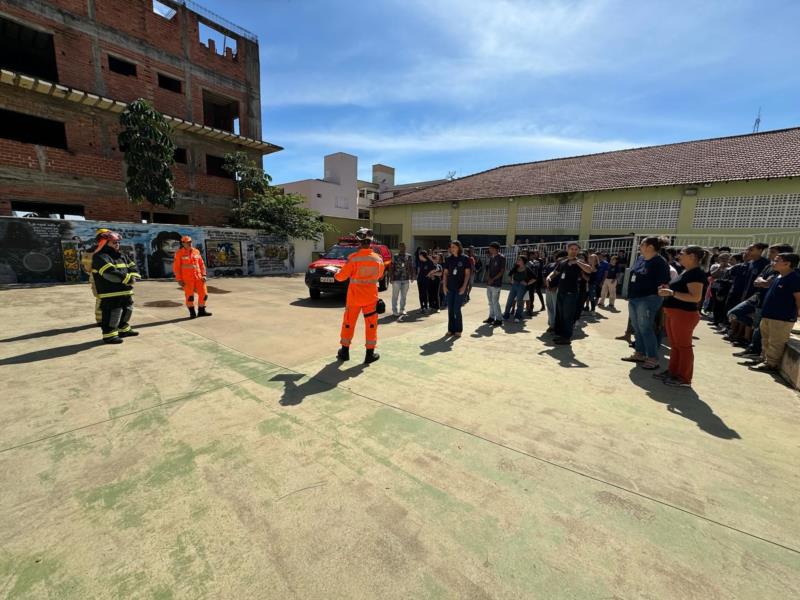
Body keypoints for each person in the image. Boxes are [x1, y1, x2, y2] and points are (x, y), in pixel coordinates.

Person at [656, 246, 707, 387]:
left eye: (682, 253)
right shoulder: (686, 272)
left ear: (692, 256)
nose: (679, 256)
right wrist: (667, 290)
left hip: (684, 314)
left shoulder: (696, 273)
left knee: (683, 347)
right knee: (676, 346)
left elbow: (695, 297)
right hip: (674, 313)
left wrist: (672, 293)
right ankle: (673, 372)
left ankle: (684, 378)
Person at [334, 228, 385, 364]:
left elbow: (341, 277)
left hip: (354, 299)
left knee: (349, 324)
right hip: (370, 299)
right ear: (371, 243)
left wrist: (336, 274)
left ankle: (344, 352)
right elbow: (380, 276)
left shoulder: (353, 259)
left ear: (359, 243)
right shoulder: (378, 259)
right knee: (371, 325)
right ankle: (370, 354)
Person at [622, 237, 671, 369]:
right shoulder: (640, 259)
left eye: (642, 244)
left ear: (650, 247)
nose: (640, 245)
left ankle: (653, 358)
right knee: (637, 327)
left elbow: (663, 283)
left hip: (649, 298)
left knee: (645, 328)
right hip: (634, 298)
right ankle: (640, 353)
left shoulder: (659, 262)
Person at [749, 253, 800, 372]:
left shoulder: (794, 278)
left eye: (777, 260)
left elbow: (798, 298)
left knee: (776, 342)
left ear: (787, 264)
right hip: (768, 315)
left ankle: (771, 364)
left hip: (782, 317)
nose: (773, 263)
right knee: (765, 340)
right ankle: (764, 359)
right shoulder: (778, 276)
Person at [92, 230, 141, 344]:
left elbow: (132, 267)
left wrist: (133, 276)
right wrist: (128, 279)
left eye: (118, 242)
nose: (117, 244)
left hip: (125, 290)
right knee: (113, 312)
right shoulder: (100, 257)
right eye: (114, 242)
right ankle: (109, 335)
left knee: (127, 309)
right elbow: (109, 272)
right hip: (110, 292)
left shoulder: (121, 255)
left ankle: (123, 329)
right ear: (104, 243)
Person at [546, 243, 593, 345]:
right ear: (567, 250)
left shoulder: (580, 262)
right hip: (561, 291)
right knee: (560, 314)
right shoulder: (562, 261)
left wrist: (578, 262)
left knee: (568, 315)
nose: (574, 251)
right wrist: (549, 277)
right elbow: (555, 271)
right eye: (572, 249)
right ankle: (560, 334)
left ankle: (566, 337)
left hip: (571, 293)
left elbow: (589, 270)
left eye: (576, 249)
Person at [172, 235, 211, 319]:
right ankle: (192, 313)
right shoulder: (179, 253)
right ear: (183, 243)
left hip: (199, 278)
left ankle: (201, 311)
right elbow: (176, 268)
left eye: (190, 242)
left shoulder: (196, 251)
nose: (189, 243)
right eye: (187, 242)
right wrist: (179, 279)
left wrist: (204, 275)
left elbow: (201, 264)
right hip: (187, 280)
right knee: (190, 297)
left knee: (204, 294)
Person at [81, 228, 110, 326]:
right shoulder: (107, 250)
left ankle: (103, 319)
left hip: (98, 278)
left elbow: (87, 267)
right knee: (102, 299)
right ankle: (101, 320)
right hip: (102, 279)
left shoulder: (90, 251)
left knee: (102, 299)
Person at [442, 240, 470, 337]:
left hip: (460, 288)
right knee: (450, 309)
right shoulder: (448, 259)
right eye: (451, 247)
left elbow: (467, 274)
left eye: (454, 247)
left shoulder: (465, 259)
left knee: (456, 309)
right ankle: (451, 329)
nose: (452, 248)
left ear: (459, 247)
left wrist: (464, 287)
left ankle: (458, 330)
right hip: (450, 288)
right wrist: (444, 286)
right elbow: (445, 273)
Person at [504, 256, 536, 322]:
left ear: (523, 261)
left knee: (519, 301)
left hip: (522, 286)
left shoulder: (527, 269)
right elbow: (510, 274)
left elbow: (534, 278)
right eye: (517, 260)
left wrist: (527, 283)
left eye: (519, 260)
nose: (517, 261)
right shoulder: (515, 267)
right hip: (514, 285)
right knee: (509, 301)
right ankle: (506, 316)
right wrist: (511, 281)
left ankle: (517, 317)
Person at [390, 242, 414, 319]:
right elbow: (392, 267)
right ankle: (394, 310)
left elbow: (411, 266)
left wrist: (412, 276)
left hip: (406, 279)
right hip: (396, 279)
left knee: (403, 296)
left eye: (403, 246)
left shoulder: (409, 256)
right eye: (401, 246)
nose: (402, 248)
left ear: (405, 247)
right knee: (395, 296)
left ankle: (402, 309)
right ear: (399, 248)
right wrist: (391, 277)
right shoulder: (395, 256)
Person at [484, 242, 505, 326]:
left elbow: (502, 271)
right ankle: (491, 317)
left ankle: (499, 319)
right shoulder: (491, 257)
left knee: (495, 301)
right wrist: (489, 278)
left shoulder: (501, 257)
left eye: (490, 248)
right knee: (490, 301)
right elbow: (489, 269)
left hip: (496, 283)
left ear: (495, 249)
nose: (489, 249)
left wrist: (493, 279)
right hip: (490, 283)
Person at [543, 250, 565, 332]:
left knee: (557, 309)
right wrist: (547, 285)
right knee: (549, 307)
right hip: (548, 289)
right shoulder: (550, 265)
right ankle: (551, 325)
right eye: (555, 256)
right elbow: (546, 276)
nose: (556, 258)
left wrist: (556, 287)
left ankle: (557, 326)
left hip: (557, 290)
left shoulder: (564, 266)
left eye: (558, 256)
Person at [525, 250, 545, 315]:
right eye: (530, 255)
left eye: (533, 254)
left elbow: (538, 268)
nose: (532, 256)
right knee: (529, 294)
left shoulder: (538, 261)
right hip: (529, 280)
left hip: (537, 279)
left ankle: (533, 307)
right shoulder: (527, 261)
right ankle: (529, 307)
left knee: (536, 292)